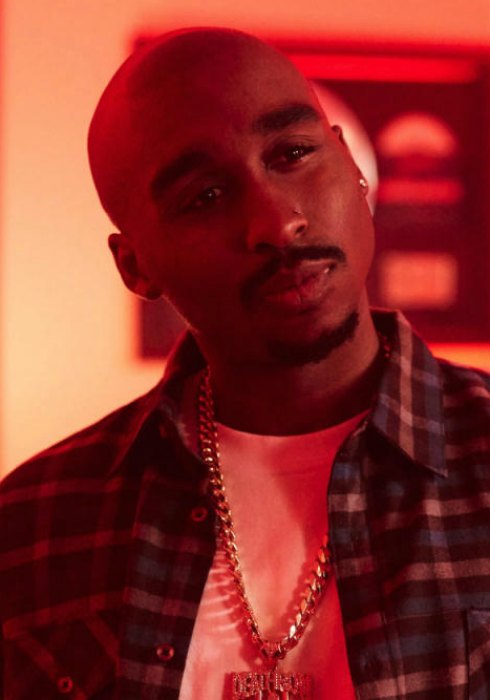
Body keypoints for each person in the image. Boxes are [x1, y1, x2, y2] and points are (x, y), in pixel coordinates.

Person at [1, 27, 489, 700]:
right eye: (204, 196)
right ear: (135, 265)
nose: (277, 222)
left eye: (292, 153)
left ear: (352, 166)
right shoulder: (36, 523)